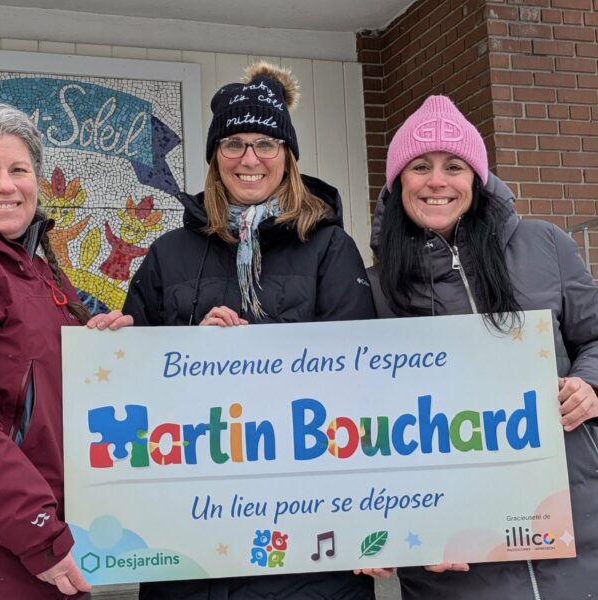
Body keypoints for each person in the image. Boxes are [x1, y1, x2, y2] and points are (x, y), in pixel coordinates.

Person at [123, 62, 376, 598]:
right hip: (191, 535)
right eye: (234, 143)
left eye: (266, 143)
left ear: (288, 155)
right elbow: (131, 383)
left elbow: (360, 382)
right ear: (215, 156)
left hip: (307, 543)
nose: (249, 158)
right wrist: (186, 352)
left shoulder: (329, 248)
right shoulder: (169, 253)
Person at [367, 94, 598, 599]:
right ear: (398, 182)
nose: (437, 181)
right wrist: (390, 531)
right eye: (420, 167)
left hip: (580, 528)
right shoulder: (376, 287)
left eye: (454, 166)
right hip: (456, 564)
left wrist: (589, 385)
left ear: (478, 179)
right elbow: (360, 422)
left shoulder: (545, 245)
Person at [0, 102, 133, 599]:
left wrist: (99, 346)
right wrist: (40, 535)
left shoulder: (38, 271)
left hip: (51, 546)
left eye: (18, 170)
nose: (6, 186)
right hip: (20, 549)